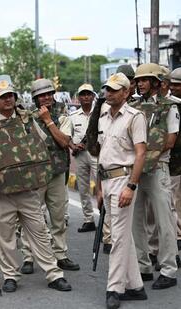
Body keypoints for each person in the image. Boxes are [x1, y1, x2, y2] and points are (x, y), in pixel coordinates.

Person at [0, 79, 72, 293]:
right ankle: (10, 275)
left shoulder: (27, 119)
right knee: (4, 237)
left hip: (27, 189)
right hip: (0, 191)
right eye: (3, 97)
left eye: (11, 96)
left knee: (39, 232)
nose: (8, 100)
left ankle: (53, 274)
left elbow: (42, 144)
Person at [96, 72, 148, 309]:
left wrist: (131, 185)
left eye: (115, 89)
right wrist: (98, 187)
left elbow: (140, 153)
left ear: (126, 92)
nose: (109, 92)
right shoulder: (104, 117)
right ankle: (136, 286)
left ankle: (114, 288)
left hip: (123, 180)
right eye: (108, 88)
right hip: (107, 181)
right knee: (122, 234)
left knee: (117, 237)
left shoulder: (135, 117)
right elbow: (101, 155)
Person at [20, 78, 79, 274]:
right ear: (35, 98)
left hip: (57, 171)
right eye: (41, 95)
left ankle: (60, 254)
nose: (46, 98)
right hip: (35, 174)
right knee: (31, 217)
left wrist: (47, 121)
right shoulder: (26, 117)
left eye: (48, 94)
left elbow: (64, 142)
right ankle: (28, 256)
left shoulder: (63, 115)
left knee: (58, 217)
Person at [130, 63, 178, 289]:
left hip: (158, 167)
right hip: (136, 169)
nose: (139, 83)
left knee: (164, 220)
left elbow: (170, 141)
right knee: (135, 221)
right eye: (138, 80)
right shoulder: (133, 106)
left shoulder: (170, 107)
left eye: (145, 80)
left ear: (157, 83)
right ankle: (143, 266)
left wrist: (145, 152)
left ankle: (168, 268)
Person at [69, 84, 99, 233]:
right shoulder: (73, 117)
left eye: (89, 94)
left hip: (96, 154)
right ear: (78, 97)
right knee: (83, 188)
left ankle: (106, 220)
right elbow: (68, 136)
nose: (86, 97)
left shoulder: (100, 113)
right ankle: (89, 219)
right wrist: (73, 146)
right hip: (80, 155)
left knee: (101, 187)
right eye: (83, 94)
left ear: (93, 96)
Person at [167, 68, 181, 258]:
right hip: (175, 163)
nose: (174, 88)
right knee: (174, 201)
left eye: (177, 84)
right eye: (173, 84)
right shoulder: (170, 106)